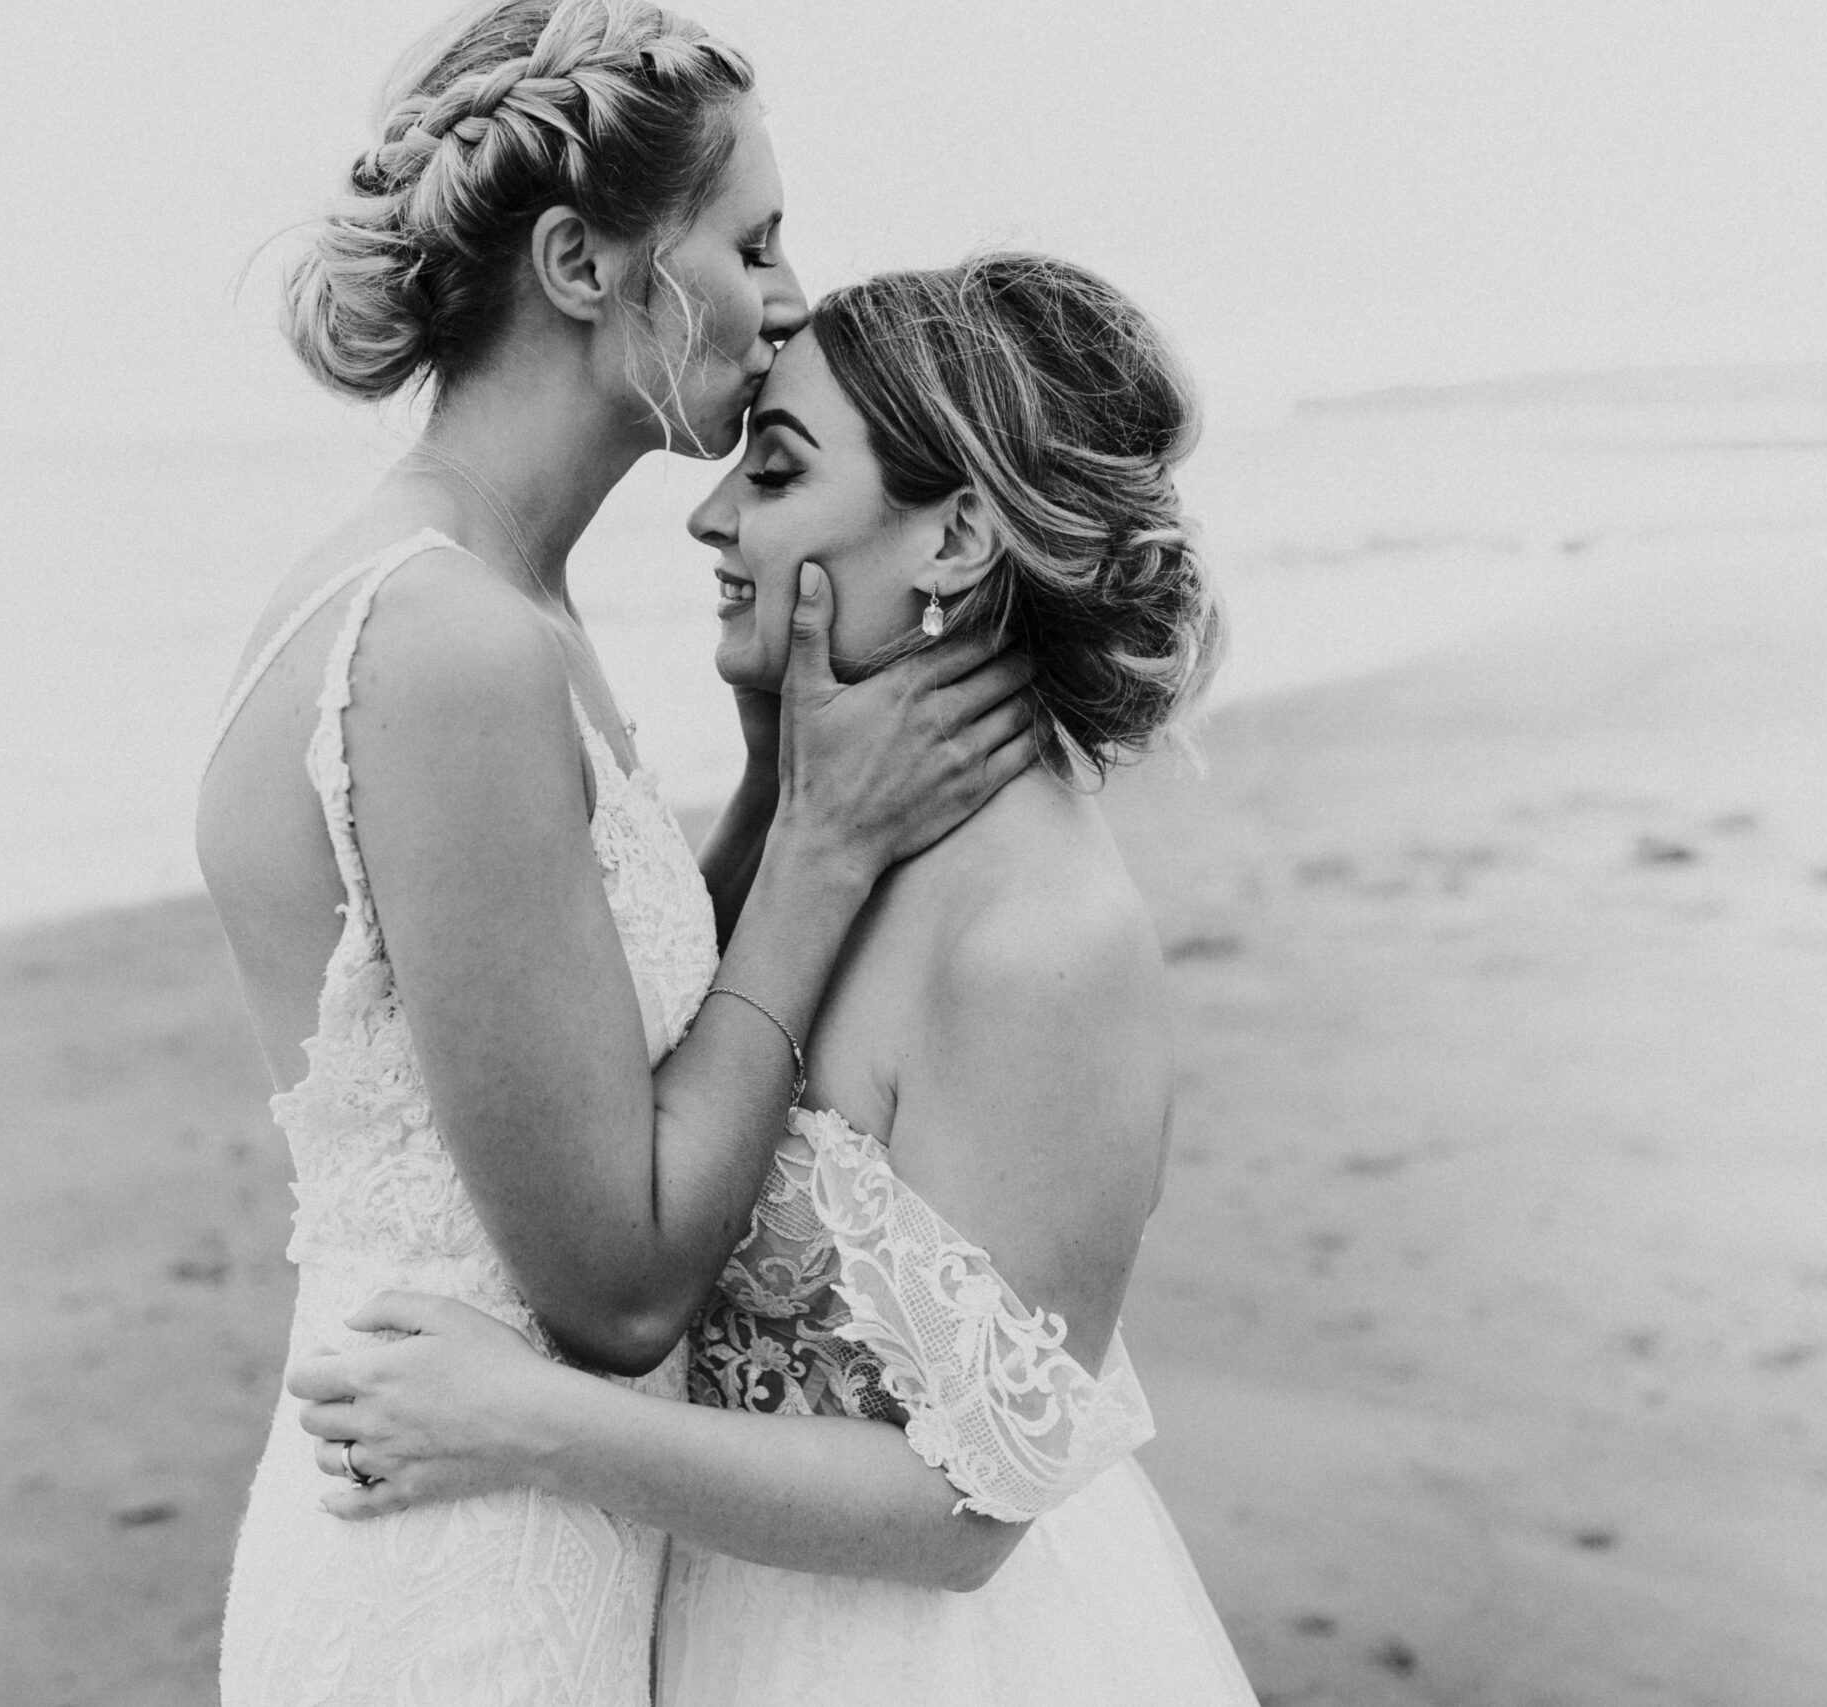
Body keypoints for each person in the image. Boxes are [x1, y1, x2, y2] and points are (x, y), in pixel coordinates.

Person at [197, 4, 1036, 1703]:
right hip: (462, 1586)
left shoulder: (490, 599)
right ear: (585, 263)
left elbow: (587, 1050)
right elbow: (617, 1280)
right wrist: (815, 849)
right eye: (752, 240)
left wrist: (759, 792)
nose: (789, 294)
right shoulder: (451, 646)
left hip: (518, 1523)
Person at [287, 254, 1261, 1704]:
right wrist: (772, 790)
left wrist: (521, 1422)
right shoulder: (850, 836)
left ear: (958, 539)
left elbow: (971, 1509)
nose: (711, 512)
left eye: (780, 473)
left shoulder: (1043, 941)